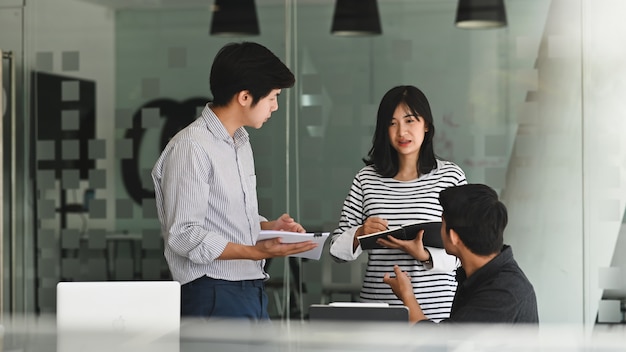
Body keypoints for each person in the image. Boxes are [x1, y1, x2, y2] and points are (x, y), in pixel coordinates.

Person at [151, 41, 318, 321]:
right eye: (273, 97)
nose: (275, 106)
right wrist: (254, 251)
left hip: (250, 288)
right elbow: (184, 233)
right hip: (212, 292)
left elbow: (223, 218)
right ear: (244, 97)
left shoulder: (239, 142)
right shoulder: (192, 146)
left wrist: (266, 227)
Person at [329, 85, 467, 322]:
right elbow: (336, 251)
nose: (401, 131)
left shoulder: (451, 177)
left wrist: (424, 255)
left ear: (426, 125)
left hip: (436, 311)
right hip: (379, 307)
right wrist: (359, 233)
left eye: (410, 120)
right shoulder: (366, 179)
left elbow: (467, 249)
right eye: (392, 123)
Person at [383, 183, 539, 324]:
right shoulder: (479, 274)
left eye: (442, 223)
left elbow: (438, 344)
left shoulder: (505, 292)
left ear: (454, 237)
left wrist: (407, 295)